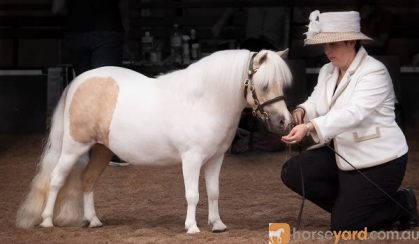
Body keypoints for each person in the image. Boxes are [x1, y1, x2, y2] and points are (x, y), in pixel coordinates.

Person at [280, 10, 417, 231]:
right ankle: (353, 206)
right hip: (342, 152)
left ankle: (401, 205)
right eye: (324, 45)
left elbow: (353, 113)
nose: (327, 51)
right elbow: (316, 101)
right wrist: (303, 111)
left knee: (344, 227)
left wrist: (310, 126)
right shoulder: (328, 70)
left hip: (378, 160)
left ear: (351, 41)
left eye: (332, 44)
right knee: (293, 172)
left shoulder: (375, 72)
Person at [52, 0, 130, 166]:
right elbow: (123, 6)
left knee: (86, 91)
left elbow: (56, 8)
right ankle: (112, 151)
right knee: (107, 92)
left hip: (78, 32)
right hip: (107, 30)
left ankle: (84, 148)